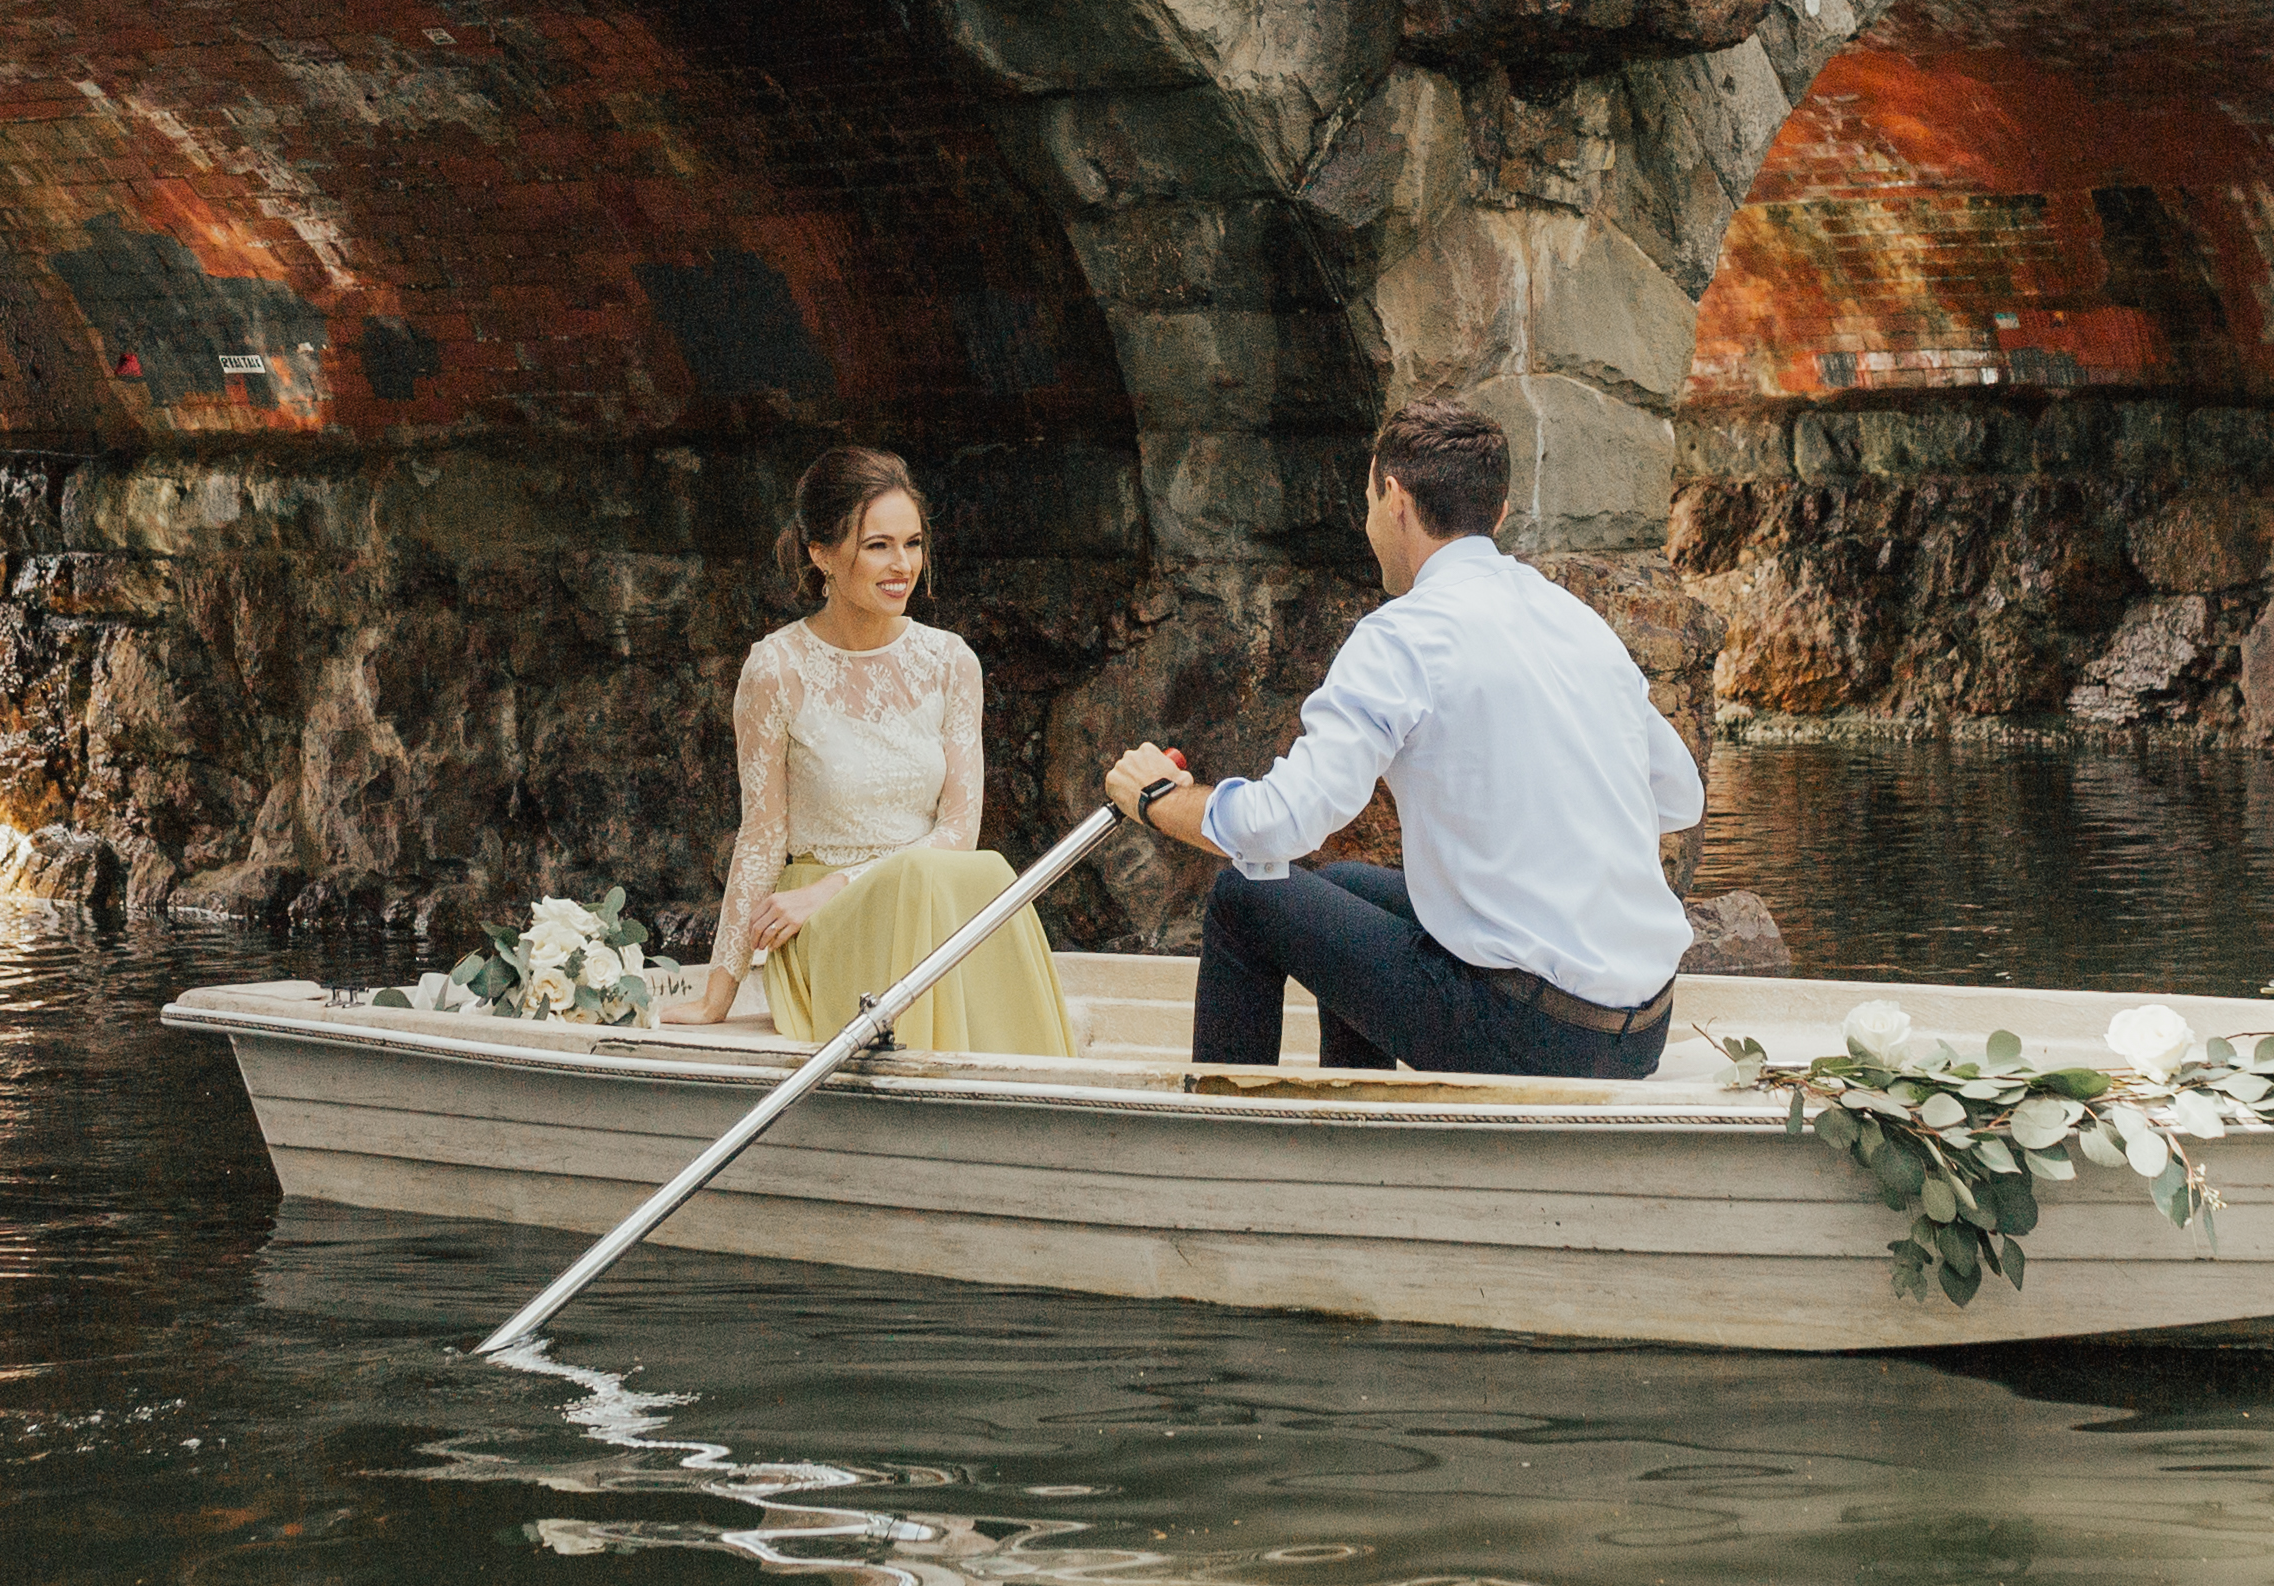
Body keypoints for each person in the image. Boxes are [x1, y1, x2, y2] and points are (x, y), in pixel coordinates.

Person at [1103, 396, 1704, 1079]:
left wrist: (1155, 798)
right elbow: (1678, 798)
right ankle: (1360, 1108)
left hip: (1527, 1035)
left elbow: (1281, 826)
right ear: (1498, 513)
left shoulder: (1401, 636)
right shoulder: (1572, 619)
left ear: (1393, 498)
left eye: (1366, 502)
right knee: (1350, 885)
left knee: (1246, 894)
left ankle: (1224, 1145)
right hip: (1638, 1029)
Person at [686, 445, 1075, 1058]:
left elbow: (958, 832)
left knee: (983, 871)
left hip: (915, 900)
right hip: (824, 926)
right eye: (878, 546)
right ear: (821, 555)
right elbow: (760, 834)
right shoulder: (776, 668)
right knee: (938, 880)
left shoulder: (950, 662)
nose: (903, 565)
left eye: (913, 543)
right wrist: (719, 992)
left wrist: (837, 884)